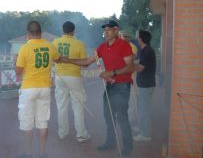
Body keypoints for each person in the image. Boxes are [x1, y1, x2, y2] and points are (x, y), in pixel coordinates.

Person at [62, 20, 134, 157]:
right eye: (104, 30)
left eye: (108, 29)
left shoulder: (124, 45)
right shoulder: (102, 47)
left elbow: (130, 67)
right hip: (110, 86)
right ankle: (111, 142)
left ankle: (128, 147)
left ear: (116, 30)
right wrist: (68, 60)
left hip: (122, 86)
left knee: (122, 117)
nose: (105, 32)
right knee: (108, 116)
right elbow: (86, 62)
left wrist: (112, 73)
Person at [15, 20, 59, 158]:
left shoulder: (24, 48)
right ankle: (42, 153)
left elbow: (18, 71)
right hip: (45, 88)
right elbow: (58, 59)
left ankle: (28, 153)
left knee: (27, 122)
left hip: (29, 88)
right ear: (41, 33)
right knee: (42, 122)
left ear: (28, 34)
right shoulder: (50, 46)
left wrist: (15, 63)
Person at [52, 21, 90, 142]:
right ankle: (81, 135)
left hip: (60, 78)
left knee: (61, 106)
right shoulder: (79, 44)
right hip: (74, 77)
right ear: (73, 31)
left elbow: (54, 59)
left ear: (62, 30)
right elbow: (85, 64)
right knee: (78, 106)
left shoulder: (55, 42)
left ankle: (62, 132)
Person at [133, 30, 156, 141]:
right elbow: (140, 63)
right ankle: (142, 128)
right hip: (144, 85)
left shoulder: (147, 51)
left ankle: (145, 135)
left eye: (137, 35)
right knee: (143, 108)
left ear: (140, 38)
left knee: (144, 110)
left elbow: (140, 68)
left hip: (146, 86)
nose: (135, 36)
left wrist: (129, 64)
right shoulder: (143, 50)